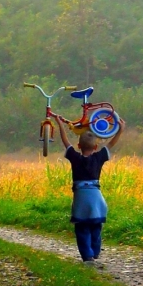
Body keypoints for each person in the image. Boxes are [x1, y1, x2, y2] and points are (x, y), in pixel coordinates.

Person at [54, 114, 125, 267]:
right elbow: (111, 144)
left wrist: (60, 124)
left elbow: (66, 142)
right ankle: (96, 250)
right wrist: (120, 130)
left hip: (81, 197)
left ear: (78, 146)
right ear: (95, 147)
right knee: (96, 225)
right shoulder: (99, 157)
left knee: (82, 227)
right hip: (96, 197)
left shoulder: (74, 157)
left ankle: (88, 257)